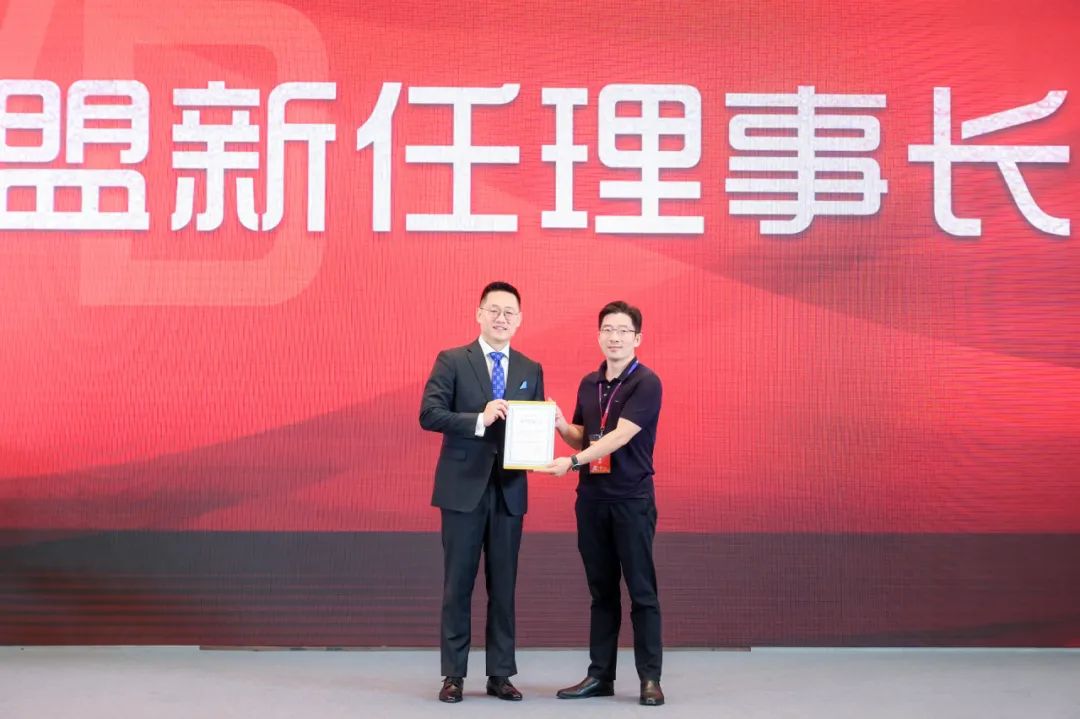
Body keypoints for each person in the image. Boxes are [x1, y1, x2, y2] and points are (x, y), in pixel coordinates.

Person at [419, 281, 545, 703]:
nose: (501, 318)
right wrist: (479, 418)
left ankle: (500, 674)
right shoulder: (453, 360)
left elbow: (532, 424)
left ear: (519, 319)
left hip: (509, 491)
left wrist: (544, 437)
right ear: (479, 313)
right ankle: (453, 675)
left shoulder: (530, 368)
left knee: (504, 586)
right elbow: (429, 414)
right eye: (494, 310)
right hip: (462, 490)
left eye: (509, 312)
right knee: (457, 584)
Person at [541, 300, 665, 706]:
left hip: (631, 500)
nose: (615, 337)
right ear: (598, 335)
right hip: (592, 501)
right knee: (601, 592)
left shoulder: (646, 382)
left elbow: (620, 435)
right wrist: (560, 424)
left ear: (637, 338)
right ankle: (600, 676)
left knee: (642, 591)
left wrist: (573, 462)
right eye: (608, 330)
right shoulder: (588, 383)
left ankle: (650, 679)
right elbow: (586, 435)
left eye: (623, 331)